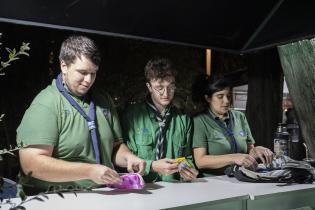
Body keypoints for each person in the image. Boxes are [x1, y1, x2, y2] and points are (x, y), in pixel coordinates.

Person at [16, 35, 145, 194]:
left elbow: (114, 147)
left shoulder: (103, 99)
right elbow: (31, 164)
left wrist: (128, 158)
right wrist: (88, 171)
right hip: (56, 198)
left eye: (93, 73)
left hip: (102, 194)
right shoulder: (46, 104)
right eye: (82, 72)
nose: (88, 80)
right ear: (64, 65)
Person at [122, 57, 198, 182]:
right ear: (149, 87)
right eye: (159, 87)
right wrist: (151, 166)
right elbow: (125, 158)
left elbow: (187, 157)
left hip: (173, 187)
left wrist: (188, 169)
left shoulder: (183, 119)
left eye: (171, 87)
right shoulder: (132, 116)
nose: (166, 93)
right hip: (142, 187)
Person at [192, 74, 273, 176]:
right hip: (213, 183)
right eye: (220, 96)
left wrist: (257, 150)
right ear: (208, 98)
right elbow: (200, 161)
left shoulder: (240, 117)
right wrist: (234, 158)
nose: (226, 101)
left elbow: (249, 151)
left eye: (228, 96)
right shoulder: (200, 121)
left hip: (241, 177)